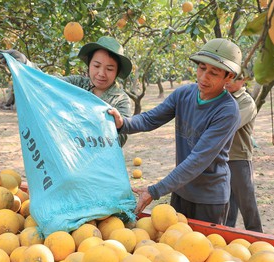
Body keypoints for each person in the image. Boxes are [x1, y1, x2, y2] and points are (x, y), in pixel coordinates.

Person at [108, 38, 242, 225]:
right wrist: (123, 124)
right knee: (175, 243)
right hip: (181, 189)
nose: (204, 77)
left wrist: (155, 191)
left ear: (228, 77)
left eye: (213, 73)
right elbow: (150, 118)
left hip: (209, 198)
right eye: (202, 68)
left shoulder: (227, 110)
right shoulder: (184, 94)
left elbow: (197, 160)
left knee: (204, 250)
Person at [0, 36, 133, 146]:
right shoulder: (77, 83)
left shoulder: (121, 100)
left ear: (116, 72)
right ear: (89, 65)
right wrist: (25, 65)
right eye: (97, 66)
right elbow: (49, 83)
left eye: (109, 69)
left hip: (98, 165)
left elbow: (120, 140)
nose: (101, 73)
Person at [224, 72, 263, 232]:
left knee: (246, 200)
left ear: (244, 80)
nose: (229, 82)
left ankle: (256, 234)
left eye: (235, 78)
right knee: (227, 199)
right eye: (228, 77)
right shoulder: (223, 97)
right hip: (223, 156)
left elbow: (230, 124)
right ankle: (227, 230)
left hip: (239, 156)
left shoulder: (246, 101)